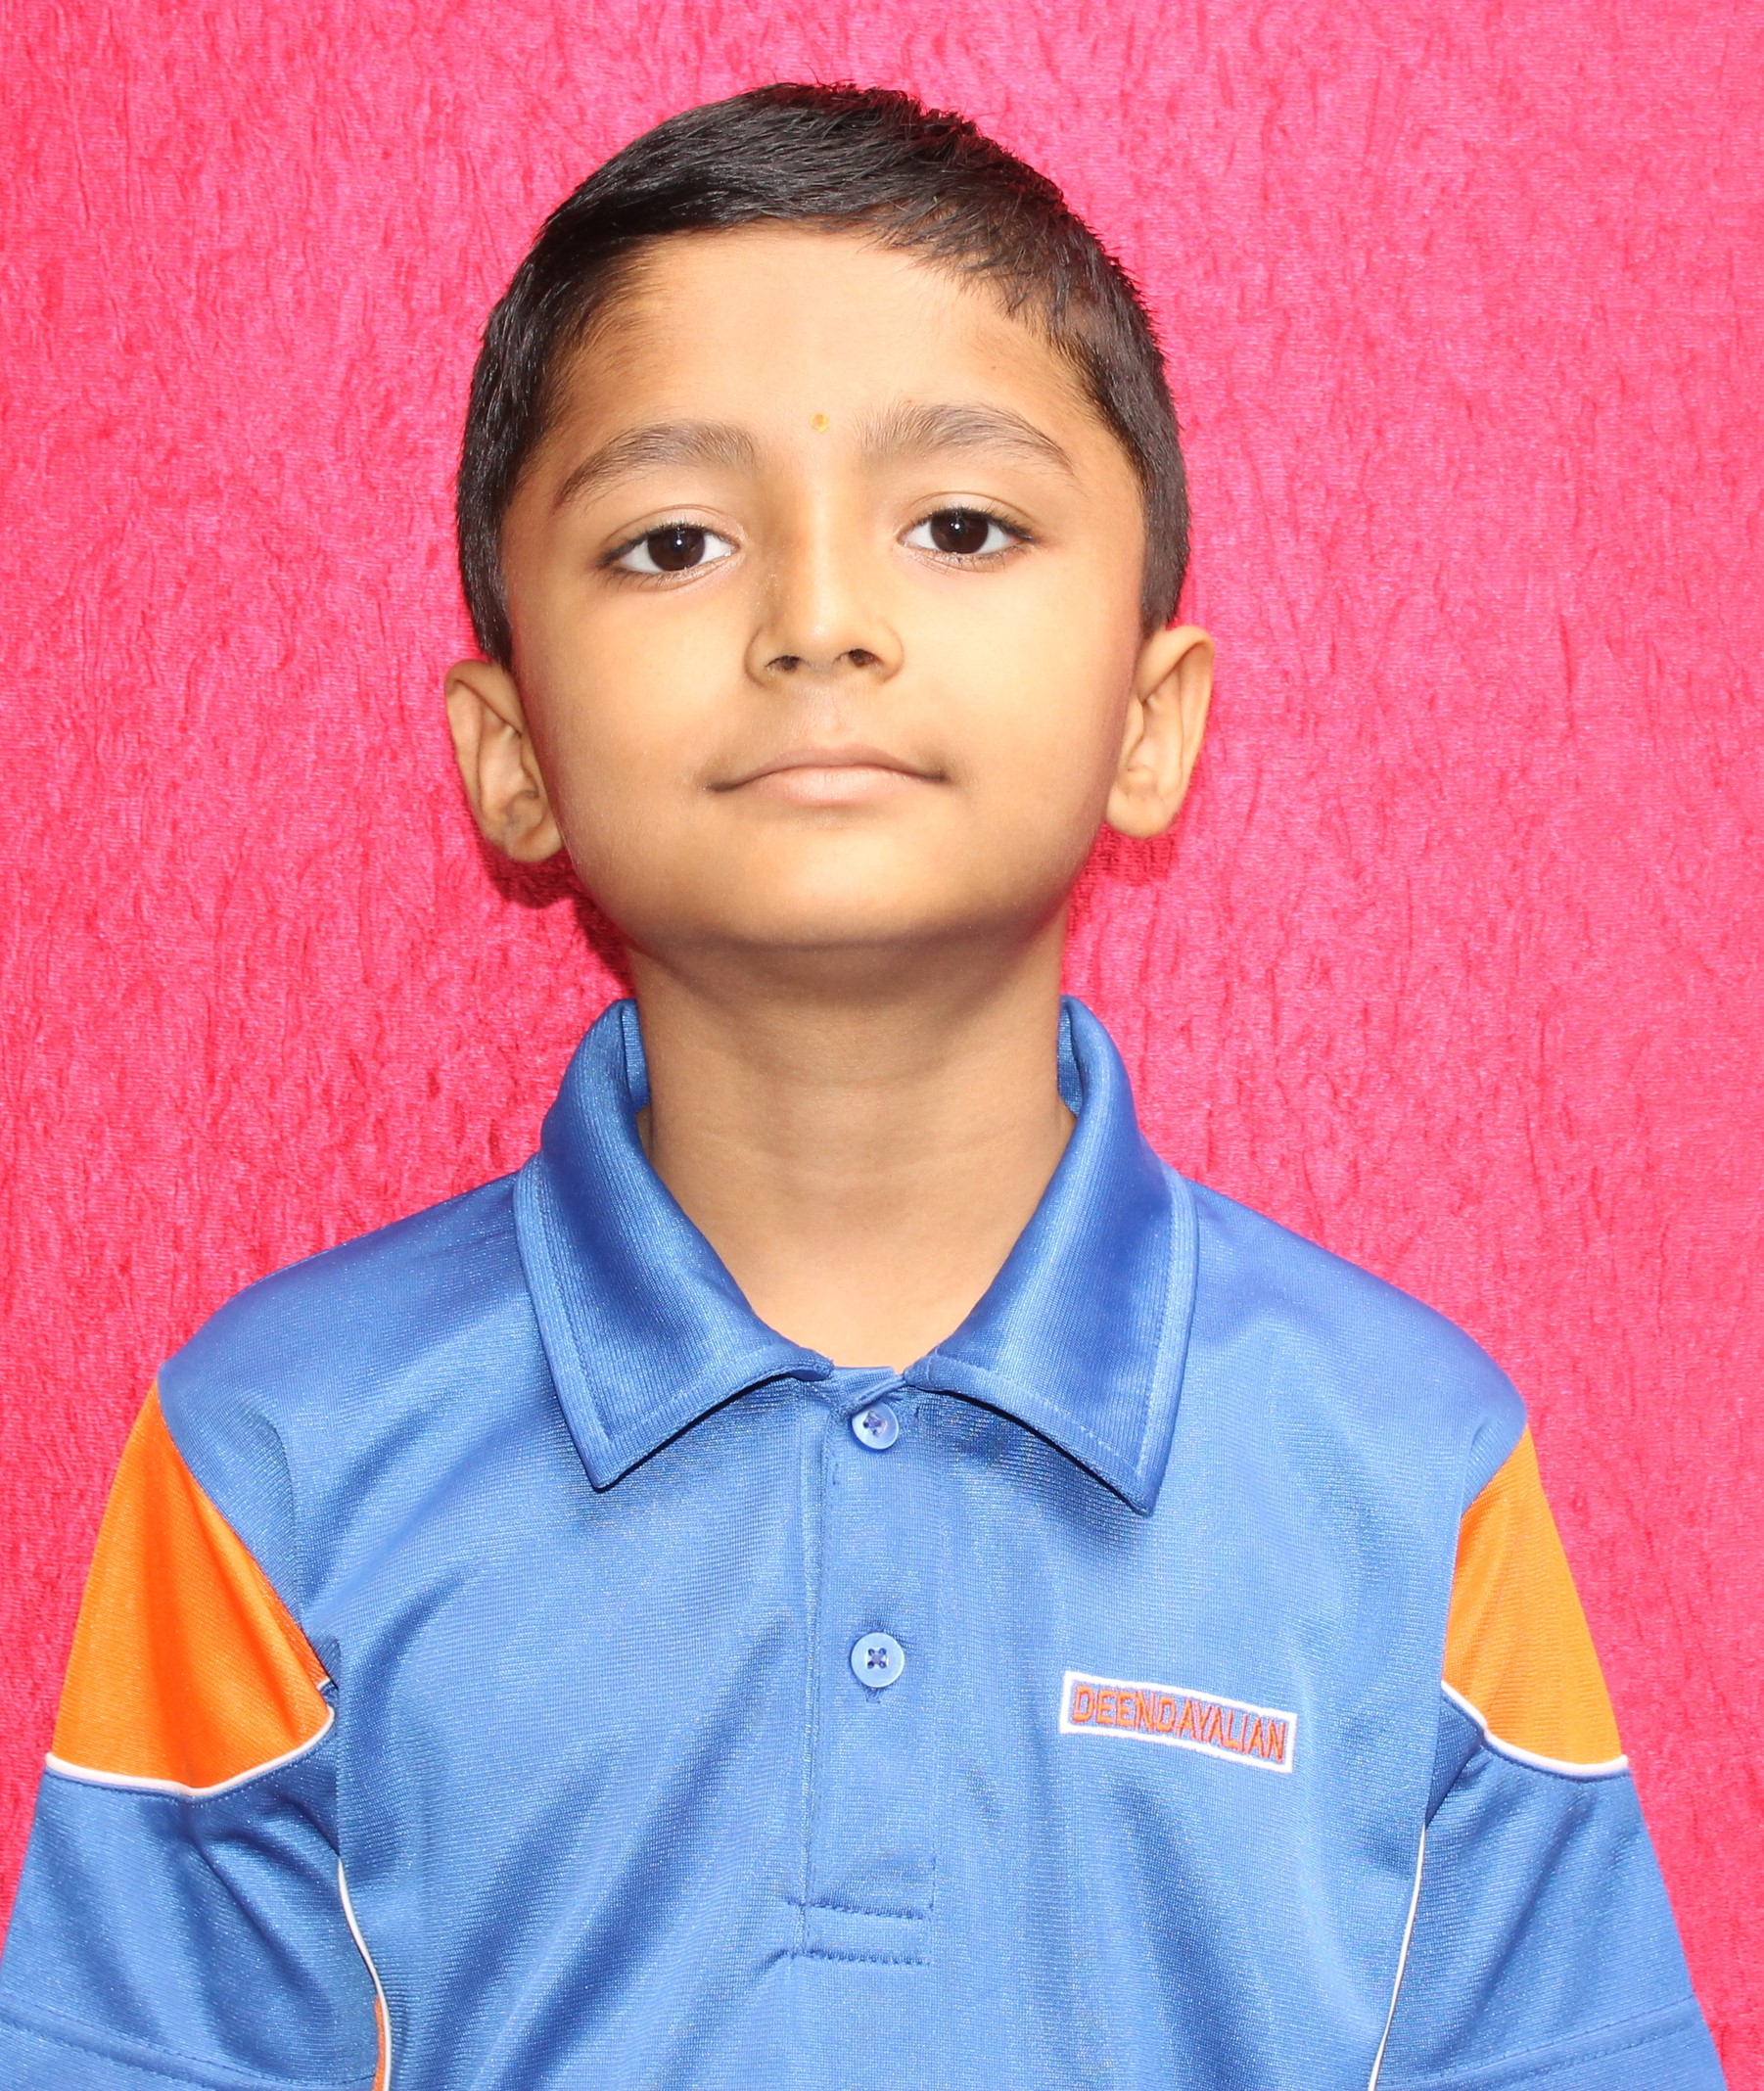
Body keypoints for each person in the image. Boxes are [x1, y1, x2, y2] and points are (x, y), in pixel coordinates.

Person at [0, 83, 1722, 2091]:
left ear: (1151, 722)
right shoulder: (280, 1448)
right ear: (511, 757)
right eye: (673, 541)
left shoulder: (1409, 1463)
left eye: (961, 526)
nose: (819, 622)